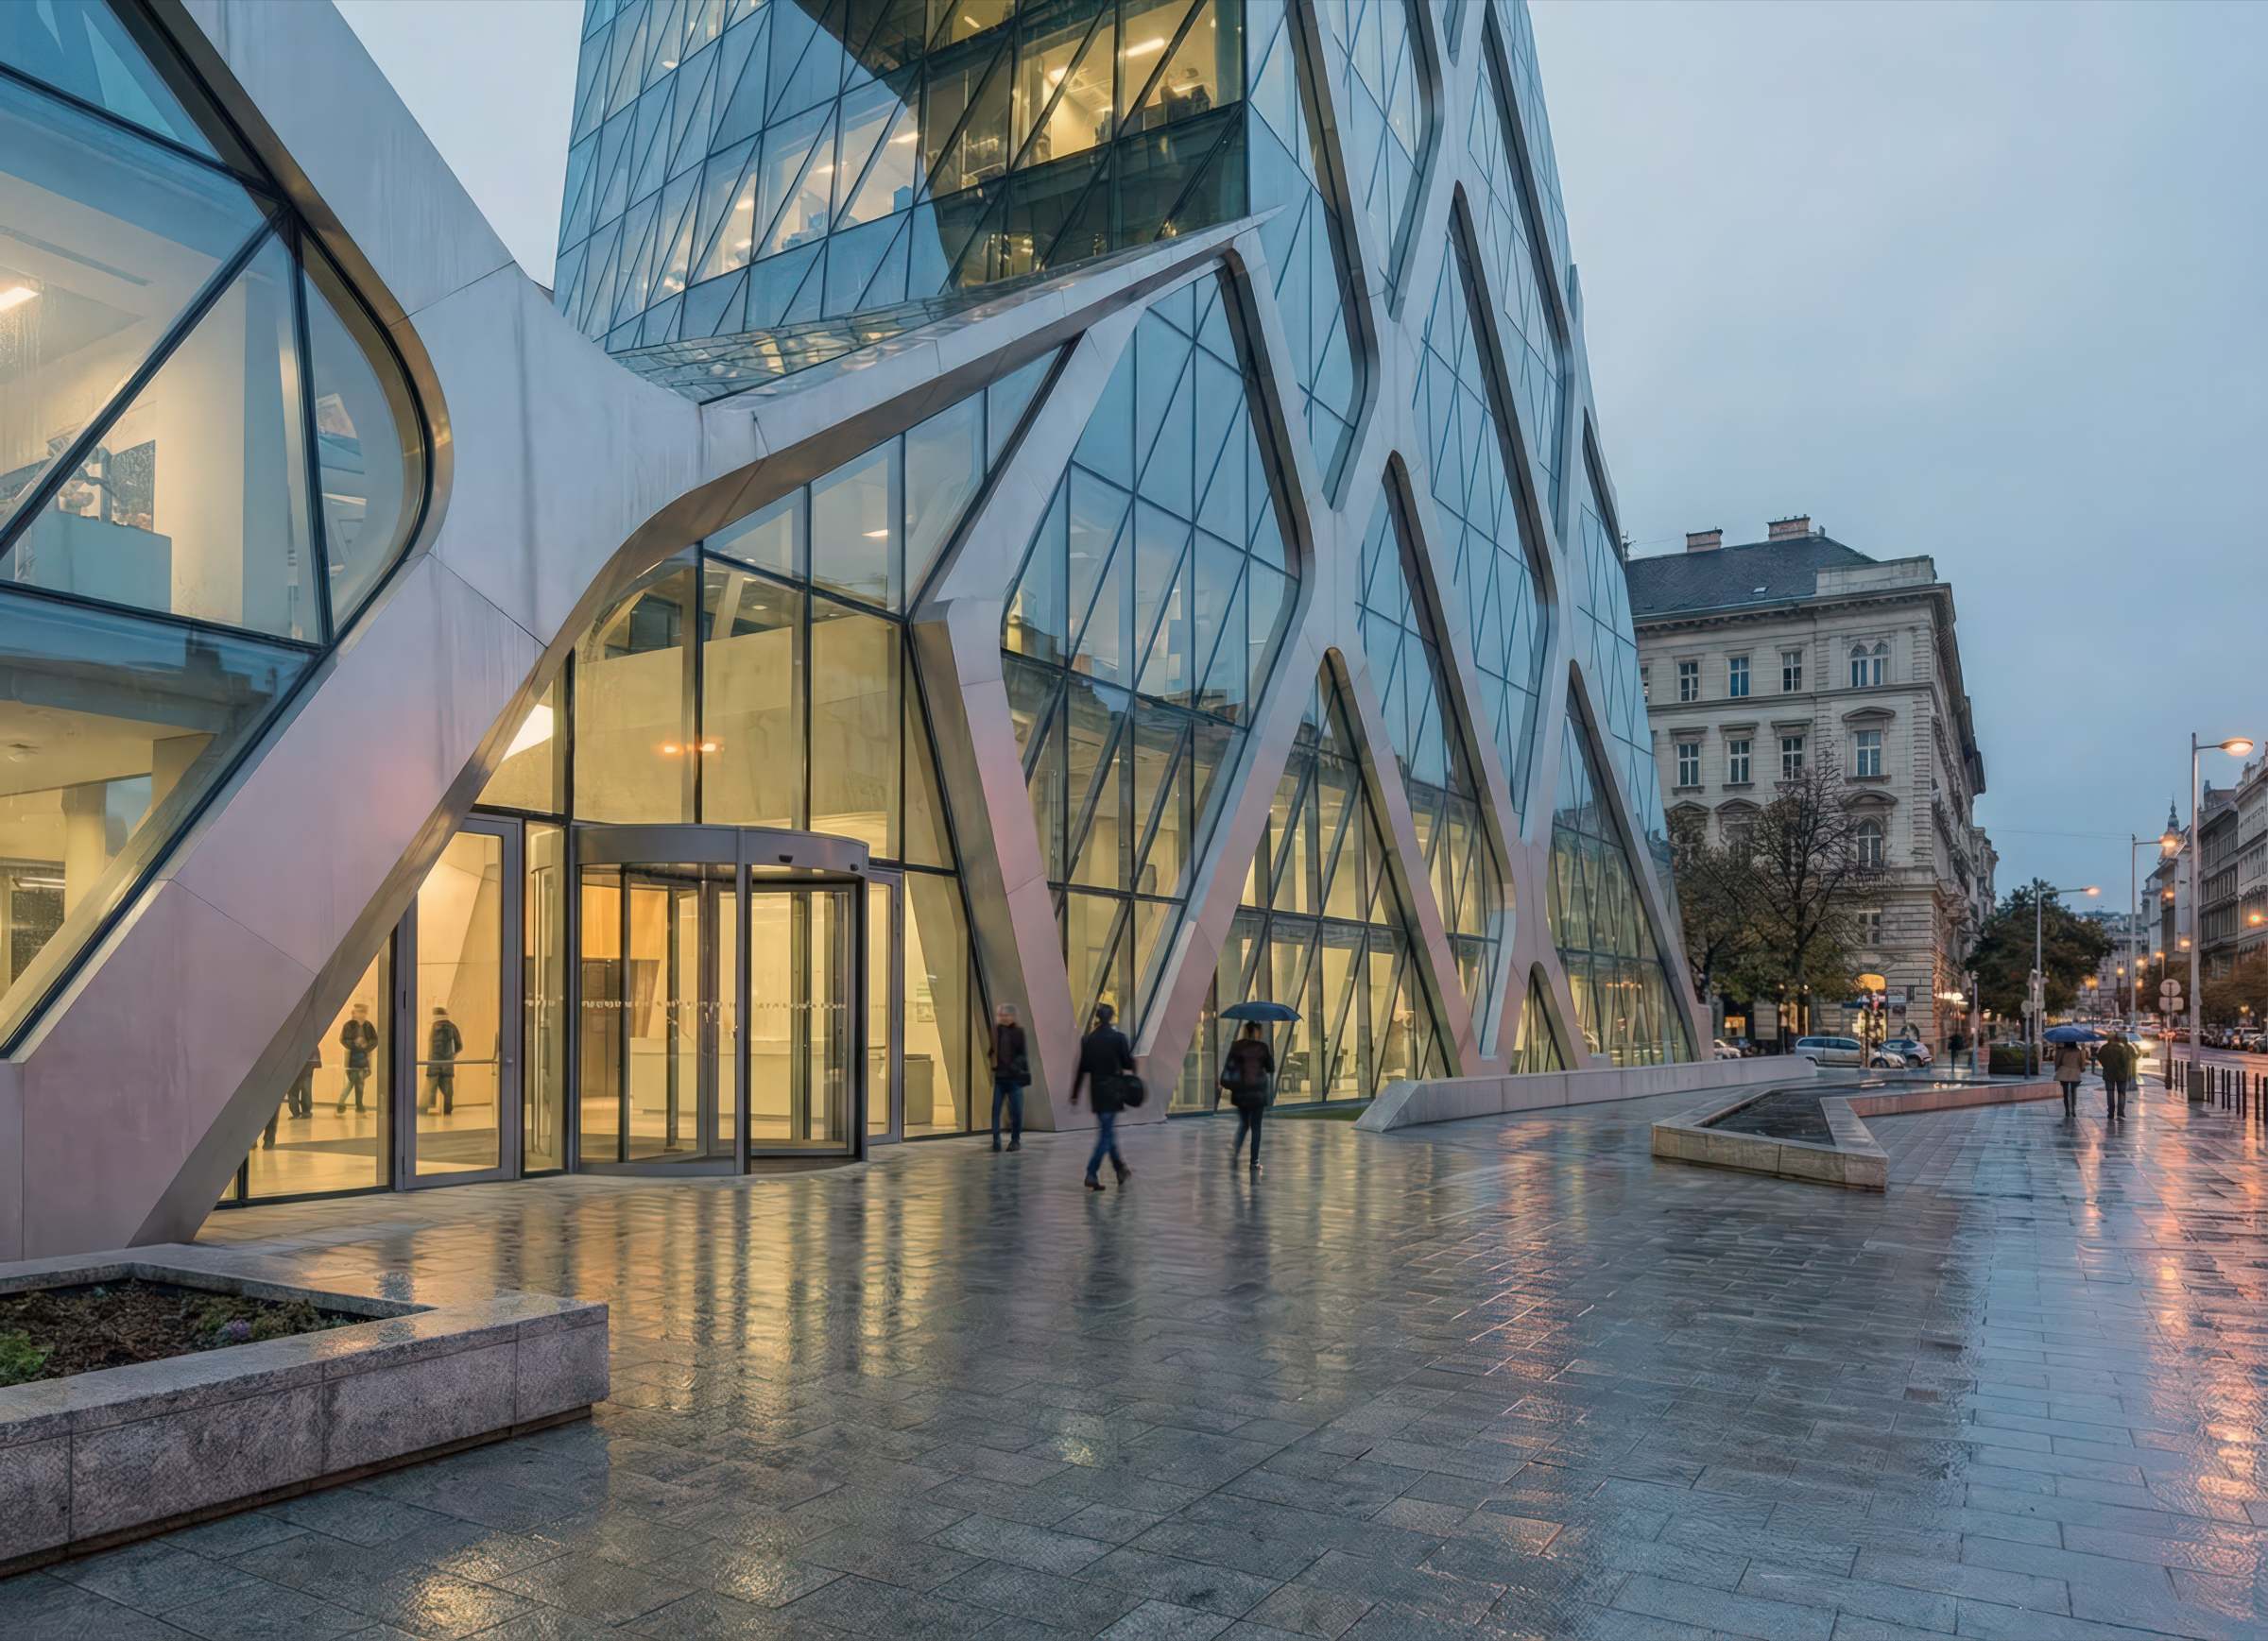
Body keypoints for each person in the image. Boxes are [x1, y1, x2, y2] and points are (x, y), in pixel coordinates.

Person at [1069, 1002, 1136, 1191]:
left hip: (1097, 1092)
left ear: (1098, 1017)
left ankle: (1120, 1168)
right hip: (1113, 1091)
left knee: (1108, 1131)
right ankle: (1091, 1171)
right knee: (1106, 1135)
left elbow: (1082, 1069)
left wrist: (1074, 1094)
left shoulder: (1090, 1040)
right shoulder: (1119, 1038)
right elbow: (1127, 1064)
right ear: (1112, 1018)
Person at [1219, 1021, 1275, 1172]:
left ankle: (1235, 1153)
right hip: (1257, 1094)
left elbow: (1228, 1067)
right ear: (1258, 1031)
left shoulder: (1237, 1046)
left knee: (1244, 1125)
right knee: (1256, 1128)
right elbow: (1271, 1068)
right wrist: (1268, 1055)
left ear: (1245, 1030)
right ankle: (1254, 1162)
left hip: (1241, 1093)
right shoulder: (1262, 1047)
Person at [988, 1002, 1029, 1153]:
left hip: (1014, 1079)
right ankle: (996, 1137)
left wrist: (1013, 1066)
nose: (1004, 1018)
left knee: (1016, 1111)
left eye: (1007, 1015)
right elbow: (992, 1051)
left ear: (1013, 1016)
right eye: (1002, 1015)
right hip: (1000, 1078)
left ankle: (1015, 1140)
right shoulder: (997, 1032)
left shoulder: (1019, 1032)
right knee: (996, 1110)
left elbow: (1022, 1055)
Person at [338, 1002, 378, 1113]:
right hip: (352, 1059)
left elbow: (375, 1040)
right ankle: (352, 1104)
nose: (361, 1014)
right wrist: (354, 1043)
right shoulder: (349, 1025)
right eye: (359, 1011)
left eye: (363, 1011)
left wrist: (366, 1045)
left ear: (366, 1013)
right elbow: (343, 1039)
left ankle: (355, 1105)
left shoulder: (369, 1026)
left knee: (359, 1083)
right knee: (352, 1082)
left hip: (364, 1059)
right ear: (355, 1013)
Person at [425, 1005, 462, 1115]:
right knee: (448, 1090)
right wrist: (453, 1055)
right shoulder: (452, 1027)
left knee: (431, 1090)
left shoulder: (431, 1027)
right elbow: (459, 1045)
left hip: (433, 1064)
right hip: (447, 1064)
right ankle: (447, 1110)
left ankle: (431, 1110)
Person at [2097, 1030, 2135, 1120]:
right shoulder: (2121, 1048)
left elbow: (2099, 1057)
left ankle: (2111, 1111)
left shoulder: (2104, 1048)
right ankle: (2120, 1111)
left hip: (2108, 1073)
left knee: (2110, 1092)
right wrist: (2126, 1073)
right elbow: (2125, 1062)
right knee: (2121, 1092)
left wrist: (2105, 1065)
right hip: (2121, 1074)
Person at [2051, 1038, 2088, 1120]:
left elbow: (2057, 1061)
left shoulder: (2061, 1051)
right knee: (2073, 1091)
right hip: (2075, 1072)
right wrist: (2082, 1068)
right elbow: (2081, 1062)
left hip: (2064, 1072)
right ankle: (2073, 1110)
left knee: (2065, 1092)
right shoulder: (2078, 1051)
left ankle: (2067, 1110)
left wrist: (2057, 1068)